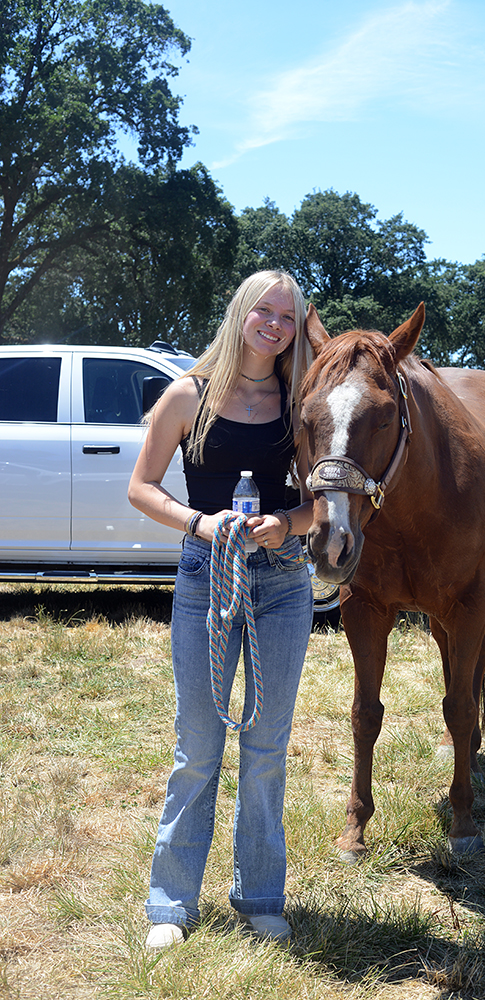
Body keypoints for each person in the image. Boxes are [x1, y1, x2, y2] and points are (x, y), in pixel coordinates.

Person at [128, 270, 315, 950]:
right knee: (198, 745)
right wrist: (198, 523)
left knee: (266, 748)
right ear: (240, 313)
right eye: (265, 311)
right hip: (207, 574)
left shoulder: (301, 403)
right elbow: (142, 487)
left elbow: (326, 499)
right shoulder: (189, 395)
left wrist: (289, 523)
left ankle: (259, 897)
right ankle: (171, 904)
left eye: (288, 316)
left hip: (283, 579)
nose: (275, 325)